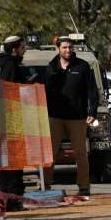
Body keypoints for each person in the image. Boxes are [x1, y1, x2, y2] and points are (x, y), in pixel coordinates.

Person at [42, 36, 98, 196]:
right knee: (49, 153)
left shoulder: (83, 66)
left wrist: (92, 112)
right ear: (58, 49)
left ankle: (84, 186)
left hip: (77, 117)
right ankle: (46, 185)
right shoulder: (51, 67)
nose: (68, 50)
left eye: (70, 47)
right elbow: (45, 91)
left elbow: (92, 91)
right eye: (65, 47)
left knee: (80, 154)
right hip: (54, 117)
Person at [0, 35, 30, 210]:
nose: (23, 51)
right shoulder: (11, 64)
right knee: (14, 160)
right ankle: (14, 198)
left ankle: (4, 196)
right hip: (11, 119)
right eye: (22, 48)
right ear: (14, 49)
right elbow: (13, 90)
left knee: (2, 160)